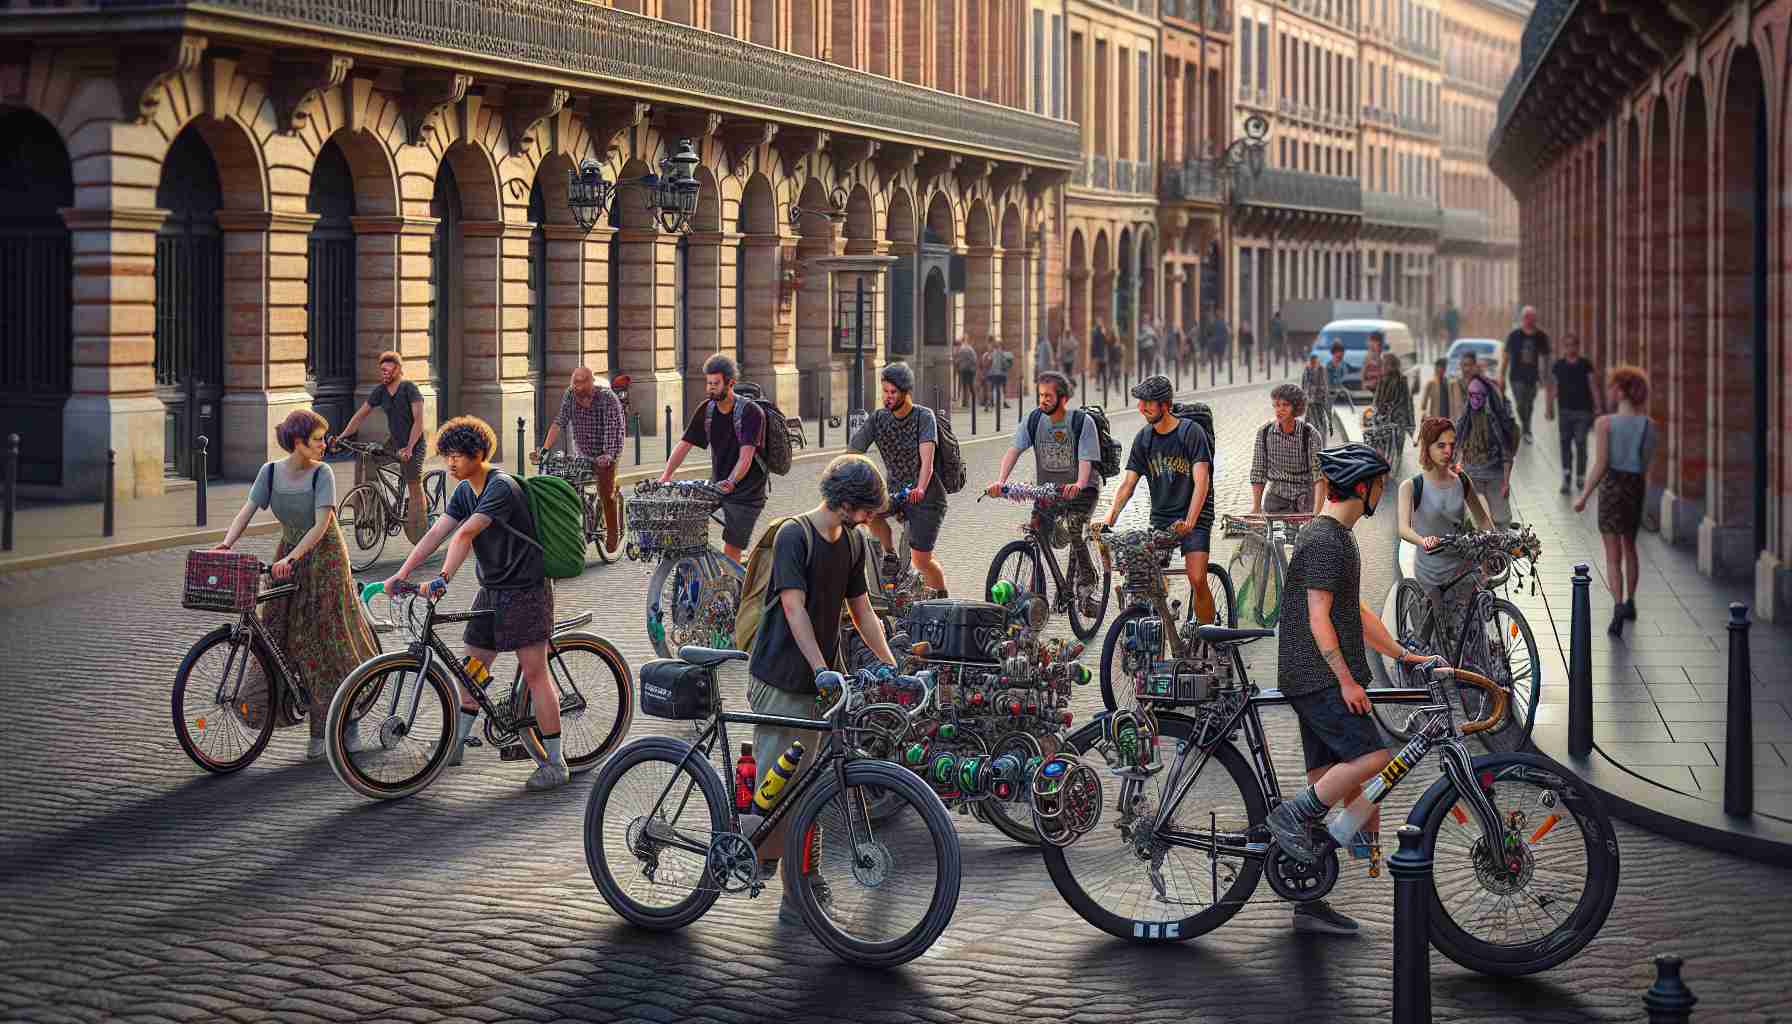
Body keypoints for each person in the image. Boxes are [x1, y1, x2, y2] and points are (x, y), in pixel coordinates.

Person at [1261, 443, 1450, 936]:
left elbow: (1356, 613)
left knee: (1341, 781)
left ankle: (1308, 891)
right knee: (1376, 760)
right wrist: (1346, 680)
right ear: (1363, 487)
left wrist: (1402, 654)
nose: (1384, 492)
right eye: (1380, 485)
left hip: (1318, 675)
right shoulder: (1326, 541)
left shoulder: (1338, 537)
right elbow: (1319, 615)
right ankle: (1289, 815)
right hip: (1318, 676)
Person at [746, 454, 899, 924]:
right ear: (848, 502)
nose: (873, 517)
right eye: (869, 508)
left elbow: (862, 610)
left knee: (808, 787)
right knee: (783, 791)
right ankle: (784, 884)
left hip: (820, 681)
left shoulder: (852, 542)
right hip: (781, 678)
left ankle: (800, 885)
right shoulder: (796, 535)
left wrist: (891, 666)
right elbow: (793, 609)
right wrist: (819, 668)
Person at [383, 416, 567, 790]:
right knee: (471, 669)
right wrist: (401, 573)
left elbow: (465, 534)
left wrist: (442, 579)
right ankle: (456, 746)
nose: (450, 463)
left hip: (526, 589)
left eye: (457, 456)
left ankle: (555, 762)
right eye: (446, 456)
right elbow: (438, 532)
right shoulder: (465, 490)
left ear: (479, 455)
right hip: (493, 590)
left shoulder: (500, 487)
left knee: (534, 675)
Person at [213, 409, 377, 760]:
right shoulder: (270, 472)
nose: (324, 445)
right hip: (288, 554)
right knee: (279, 633)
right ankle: (293, 709)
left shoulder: (324, 473)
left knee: (327, 640)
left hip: (324, 558)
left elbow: (321, 526)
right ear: (299, 443)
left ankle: (346, 723)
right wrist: (227, 542)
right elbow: (248, 508)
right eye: (318, 439)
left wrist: (292, 559)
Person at [1094, 375, 1219, 624]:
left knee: (1196, 577)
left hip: (1195, 516)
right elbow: (1128, 485)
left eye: (1148, 402)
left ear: (1165, 404)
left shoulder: (1191, 433)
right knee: (1146, 578)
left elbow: (1202, 481)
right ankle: (1161, 625)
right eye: (1141, 402)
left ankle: (1212, 638)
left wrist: (1191, 522)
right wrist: (1108, 520)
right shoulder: (1144, 439)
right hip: (1162, 518)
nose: (1142, 408)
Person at [989, 371, 1102, 599]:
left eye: (1048, 396)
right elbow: (1014, 451)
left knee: (1074, 527)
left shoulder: (1082, 422)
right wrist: (1001, 481)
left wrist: (1079, 484)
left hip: (1082, 491)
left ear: (1063, 399)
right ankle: (1036, 594)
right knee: (1036, 529)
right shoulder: (1033, 420)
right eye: (1041, 395)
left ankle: (1088, 578)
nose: (1043, 400)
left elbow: (1085, 459)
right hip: (1048, 491)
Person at [848, 363, 948, 594]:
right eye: (885, 392)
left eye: (893, 392)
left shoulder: (924, 417)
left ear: (905, 392)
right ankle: (889, 553)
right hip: (895, 492)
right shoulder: (878, 418)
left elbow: (927, 462)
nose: (888, 397)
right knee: (867, 509)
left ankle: (942, 595)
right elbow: (853, 452)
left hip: (927, 498)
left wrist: (921, 488)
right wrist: (840, 475)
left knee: (921, 560)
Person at [659, 354, 768, 563]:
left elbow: (745, 457)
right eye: (708, 383)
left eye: (716, 384)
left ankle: (731, 588)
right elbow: (684, 445)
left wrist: (733, 481)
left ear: (731, 383)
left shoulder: (751, 413)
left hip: (747, 491)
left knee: (731, 548)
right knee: (686, 520)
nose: (710, 388)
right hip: (717, 484)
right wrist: (666, 475)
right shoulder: (707, 409)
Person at [1397, 417, 1495, 643]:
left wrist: (1498, 543)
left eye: (1452, 445)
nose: (1448, 451)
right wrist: (1423, 541)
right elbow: (1403, 528)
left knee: (1472, 625)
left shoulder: (1462, 480)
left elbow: (1483, 520)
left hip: (1463, 565)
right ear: (1427, 447)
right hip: (1431, 567)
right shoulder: (1412, 486)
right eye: (1441, 445)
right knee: (1439, 634)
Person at [1575, 366, 1654, 636]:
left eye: (1611, 387)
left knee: (1611, 554)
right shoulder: (1648, 426)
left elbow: (1601, 464)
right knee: (1630, 546)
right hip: (1634, 488)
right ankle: (1631, 601)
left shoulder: (1604, 424)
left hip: (1611, 488)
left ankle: (1617, 605)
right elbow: (1644, 465)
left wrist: (1584, 496)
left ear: (1620, 391)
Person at [337, 349, 427, 541]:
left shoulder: (409, 388)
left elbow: (419, 421)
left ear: (398, 370)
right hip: (394, 442)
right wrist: (342, 436)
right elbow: (360, 415)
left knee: (413, 483)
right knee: (370, 459)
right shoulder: (380, 391)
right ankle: (376, 508)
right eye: (382, 370)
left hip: (414, 443)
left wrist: (410, 447)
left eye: (387, 370)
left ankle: (421, 534)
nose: (384, 373)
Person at [534, 366, 625, 551]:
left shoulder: (607, 399)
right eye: (574, 382)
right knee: (568, 482)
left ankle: (613, 533)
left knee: (606, 492)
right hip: (582, 449)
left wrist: (607, 455)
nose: (576, 387)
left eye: (581, 383)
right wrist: (544, 450)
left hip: (607, 449)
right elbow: (560, 421)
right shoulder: (570, 395)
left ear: (591, 382)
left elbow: (612, 429)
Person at [1251, 383, 1326, 516]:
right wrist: (1256, 507)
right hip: (1275, 501)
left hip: (1305, 502)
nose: (1279, 410)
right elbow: (1258, 471)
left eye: (1285, 405)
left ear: (1296, 407)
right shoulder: (1264, 432)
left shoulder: (1310, 434)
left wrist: (1316, 513)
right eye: (1276, 405)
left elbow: (1319, 476)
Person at [1454, 373, 1516, 527]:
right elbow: (1458, 443)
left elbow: (1506, 451)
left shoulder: (1495, 419)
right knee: (1475, 524)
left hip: (1495, 477)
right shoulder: (1466, 417)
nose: (1474, 399)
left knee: (1501, 521)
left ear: (1486, 396)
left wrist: (1506, 482)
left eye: (1478, 395)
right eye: (1471, 395)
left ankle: (1500, 549)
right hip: (1472, 476)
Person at [1547, 332, 1602, 496]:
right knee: (1565, 444)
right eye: (1567, 345)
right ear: (1564, 347)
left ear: (1578, 347)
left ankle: (1580, 476)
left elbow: (1593, 385)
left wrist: (1598, 406)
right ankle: (1566, 477)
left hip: (1583, 411)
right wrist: (1549, 407)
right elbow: (1554, 387)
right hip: (1564, 411)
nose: (1571, 348)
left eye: (1573, 345)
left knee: (1580, 442)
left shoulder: (1586, 365)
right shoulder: (1558, 365)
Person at [1501, 305, 1551, 444]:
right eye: (1527, 317)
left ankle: (1526, 428)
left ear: (1535, 319)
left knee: (1529, 403)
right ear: (1523, 318)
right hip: (1516, 376)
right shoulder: (1514, 335)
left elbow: (1546, 358)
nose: (1530, 320)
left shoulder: (1541, 336)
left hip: (1533, 377)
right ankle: (1526, 428)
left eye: (1532, 317)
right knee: (1520, 404)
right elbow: (1506, 356)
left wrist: (1545, 377)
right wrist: (1501, 376)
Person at [1370, 351, 1415, 443]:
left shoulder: (1402, 380)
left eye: (1384, 364)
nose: (1382, 367)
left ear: (1392, 366)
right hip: (1382, 423)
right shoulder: (1382, 380)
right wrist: (1375, 416)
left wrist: (1411, 425)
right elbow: (1376, 402)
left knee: (1396, 452)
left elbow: (1408, 403)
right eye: (1382, 364)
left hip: (1397, 423)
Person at [1301, 353, 1333, 444]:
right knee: (1308, 423)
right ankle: (1308, 443)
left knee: (1321, 422)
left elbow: (1324, 385)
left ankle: (1322, 443)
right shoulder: (1307, 369)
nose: (1313, 363)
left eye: (1315, 361)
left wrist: (1319, 393)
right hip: (1310, 401)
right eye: (1312, 361)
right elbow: (1304, 384)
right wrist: (1305, 396)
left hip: (1319, 401)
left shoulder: (1321, 369)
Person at [1418, 357, 1462, 422]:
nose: (1442, 370)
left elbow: (1456, 403)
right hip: (1436, 420)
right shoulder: (1431, 383)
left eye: (1443, 368)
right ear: (1436, 369)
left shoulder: (1450, 383)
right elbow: (1423, 405)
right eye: (1440, 368)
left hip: (1448, 419)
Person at [953, 337, 978, 410]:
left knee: (964, 386)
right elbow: (974, 359)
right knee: (971, 386)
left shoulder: (961, 350)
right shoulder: (971, 349)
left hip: (964, 370)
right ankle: (972, 401)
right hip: (971, 370)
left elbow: (958, 360)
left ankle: (965, 403)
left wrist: (958, 364)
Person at [988, 342, 1012, 411]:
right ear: (1000, 347)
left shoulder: (992, 354)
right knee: (1003, 388)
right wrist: (1008, 366)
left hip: (993, 374)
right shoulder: (1002, 354)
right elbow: (1004, 363)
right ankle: (1004, 402)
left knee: (993, 388)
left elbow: (989, 362)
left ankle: (992, 402)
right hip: (1001, 374)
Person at [1091, 321, 1110, 393]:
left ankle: (1100, 385)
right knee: (1102, 371)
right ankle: (1101, 385)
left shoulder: (1096, 334)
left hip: (1101, 356)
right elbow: (1106, 343)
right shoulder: (1100, 334)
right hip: (1102, 356)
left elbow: (1094, 345)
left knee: (1100, 371)